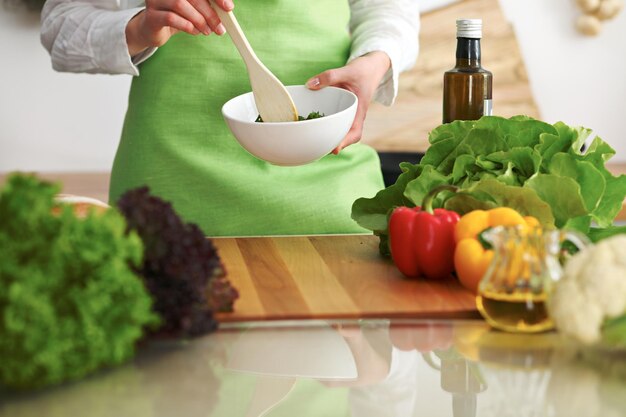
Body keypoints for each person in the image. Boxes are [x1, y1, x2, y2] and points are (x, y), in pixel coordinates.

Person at [41, 0, 419, 236]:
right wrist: (140, 26)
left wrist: (375, 61)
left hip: (331, 198)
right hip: (171, 193)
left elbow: (391, 8)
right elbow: (61, 26)